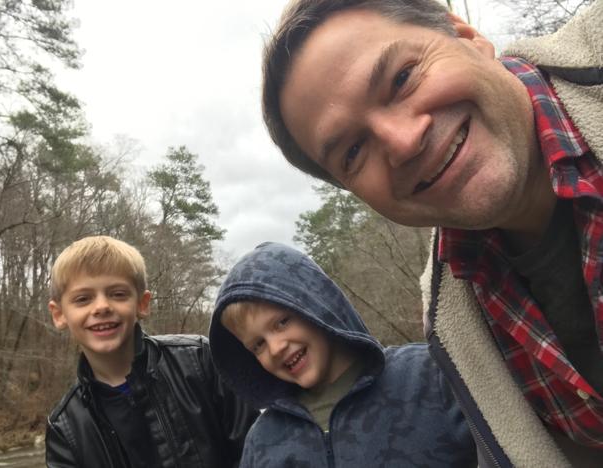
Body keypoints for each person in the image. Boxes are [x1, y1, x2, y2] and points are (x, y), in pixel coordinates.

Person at [260, 0, 603, 465]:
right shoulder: (454, 322)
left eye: (402, 78)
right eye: (355, 150)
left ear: (468, 38)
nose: (404, 141)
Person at [208, 241, 477, 467]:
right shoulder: (262, 440)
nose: (276, 347)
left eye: (282, 322)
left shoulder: (429, 376)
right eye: (258, 345)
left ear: (314, 304)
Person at [44, 236, 258, 468]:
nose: (102, 307)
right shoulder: (65, 428)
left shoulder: (201, 361)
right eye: (83, 299)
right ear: (59, 314)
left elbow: (259, 449)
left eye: (118, 294)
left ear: (142, 304)